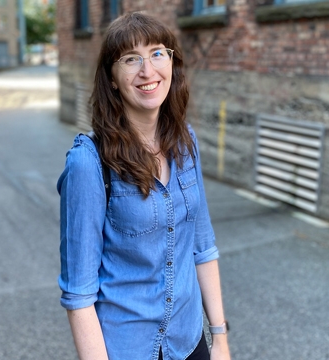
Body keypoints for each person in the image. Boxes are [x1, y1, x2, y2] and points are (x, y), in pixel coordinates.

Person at [57, 12, 232, 360]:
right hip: (127, 349)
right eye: (131, 59)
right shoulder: (88, 163)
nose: (148, 71)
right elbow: (79, 295)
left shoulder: (186, 141)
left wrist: (220, 337)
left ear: (172, 63)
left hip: (188, 341)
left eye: (157, 53)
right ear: (112, 78)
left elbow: (203, 246)